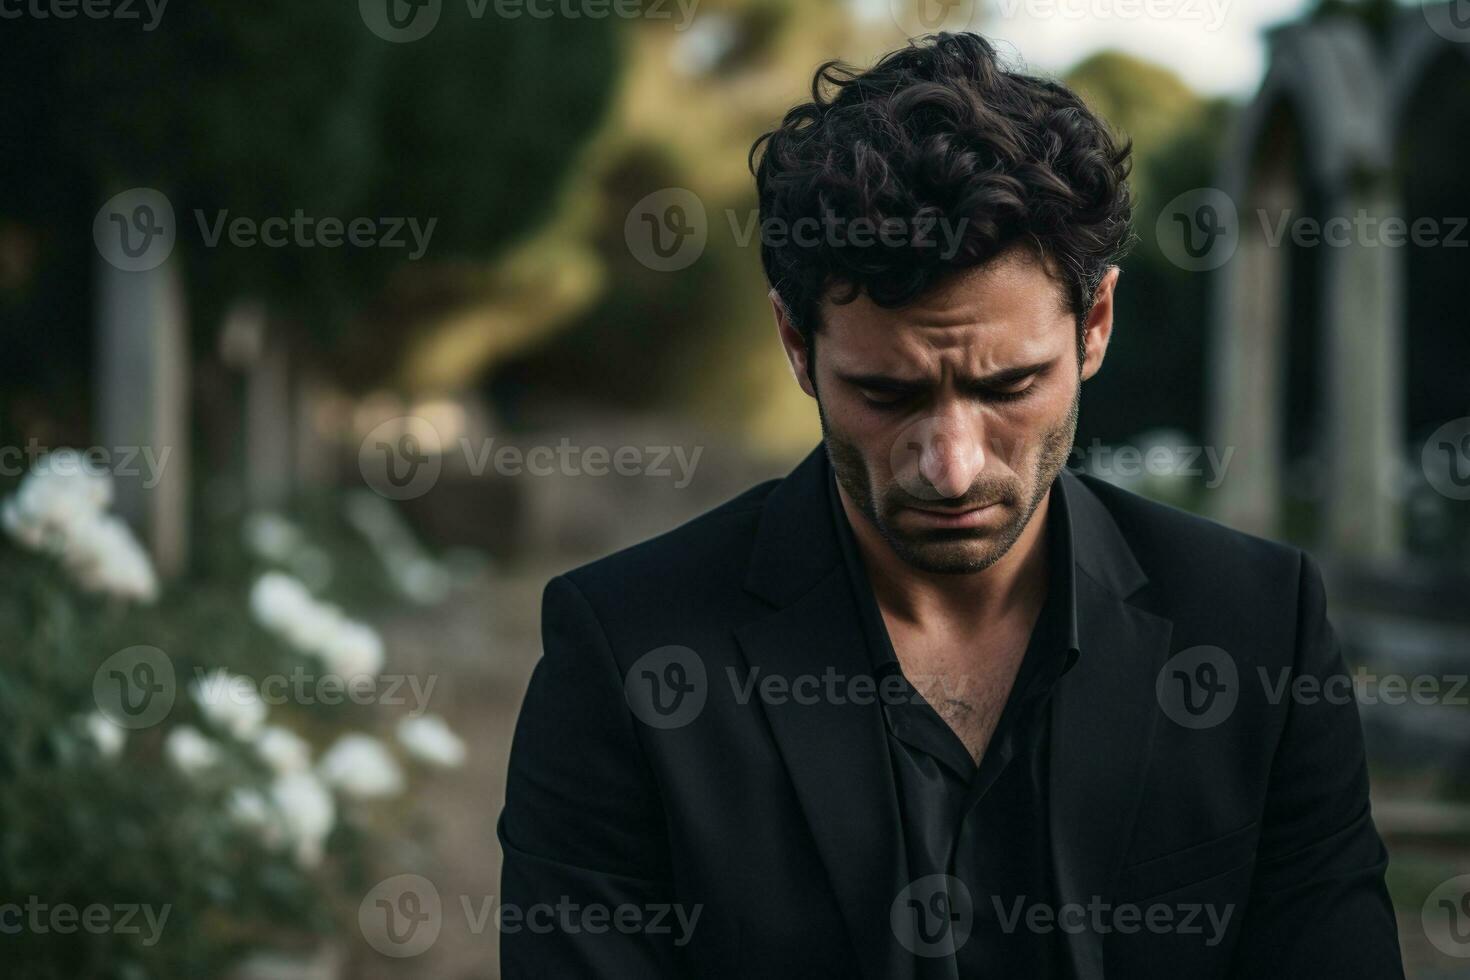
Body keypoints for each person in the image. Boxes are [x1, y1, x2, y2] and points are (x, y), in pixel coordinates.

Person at [499, 31, 1403, 979]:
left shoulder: (1261, 627)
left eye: (1010, 386)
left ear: (1094, 325)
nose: (952, 466)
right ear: (795, 344)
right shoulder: (626, 650)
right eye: (887, 395)